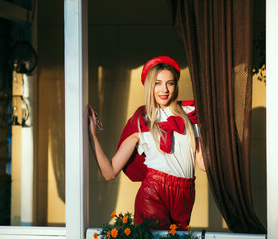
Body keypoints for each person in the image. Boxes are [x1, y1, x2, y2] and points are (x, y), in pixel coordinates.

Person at [88, 56, 205, 230]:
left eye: (170, 83)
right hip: (154, 193)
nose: (164, 89)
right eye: (158, 83)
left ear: (176, 86)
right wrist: (92, 136)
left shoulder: (191, 115)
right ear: (150, 86)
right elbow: (109, 172)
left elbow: (203, 164)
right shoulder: (141, 122)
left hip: (186, 193)